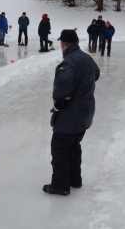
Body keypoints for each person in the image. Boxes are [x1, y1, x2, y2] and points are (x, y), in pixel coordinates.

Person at [43, 29, 100, 196]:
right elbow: (96, 74)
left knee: (59, 149)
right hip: (85, 113)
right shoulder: (87, 58)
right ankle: (75, 180)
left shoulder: (68, 62)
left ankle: (60, 186)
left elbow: (63, 84)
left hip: (71, 114)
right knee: (74, 146)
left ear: (62, 44)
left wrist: (60, 100)